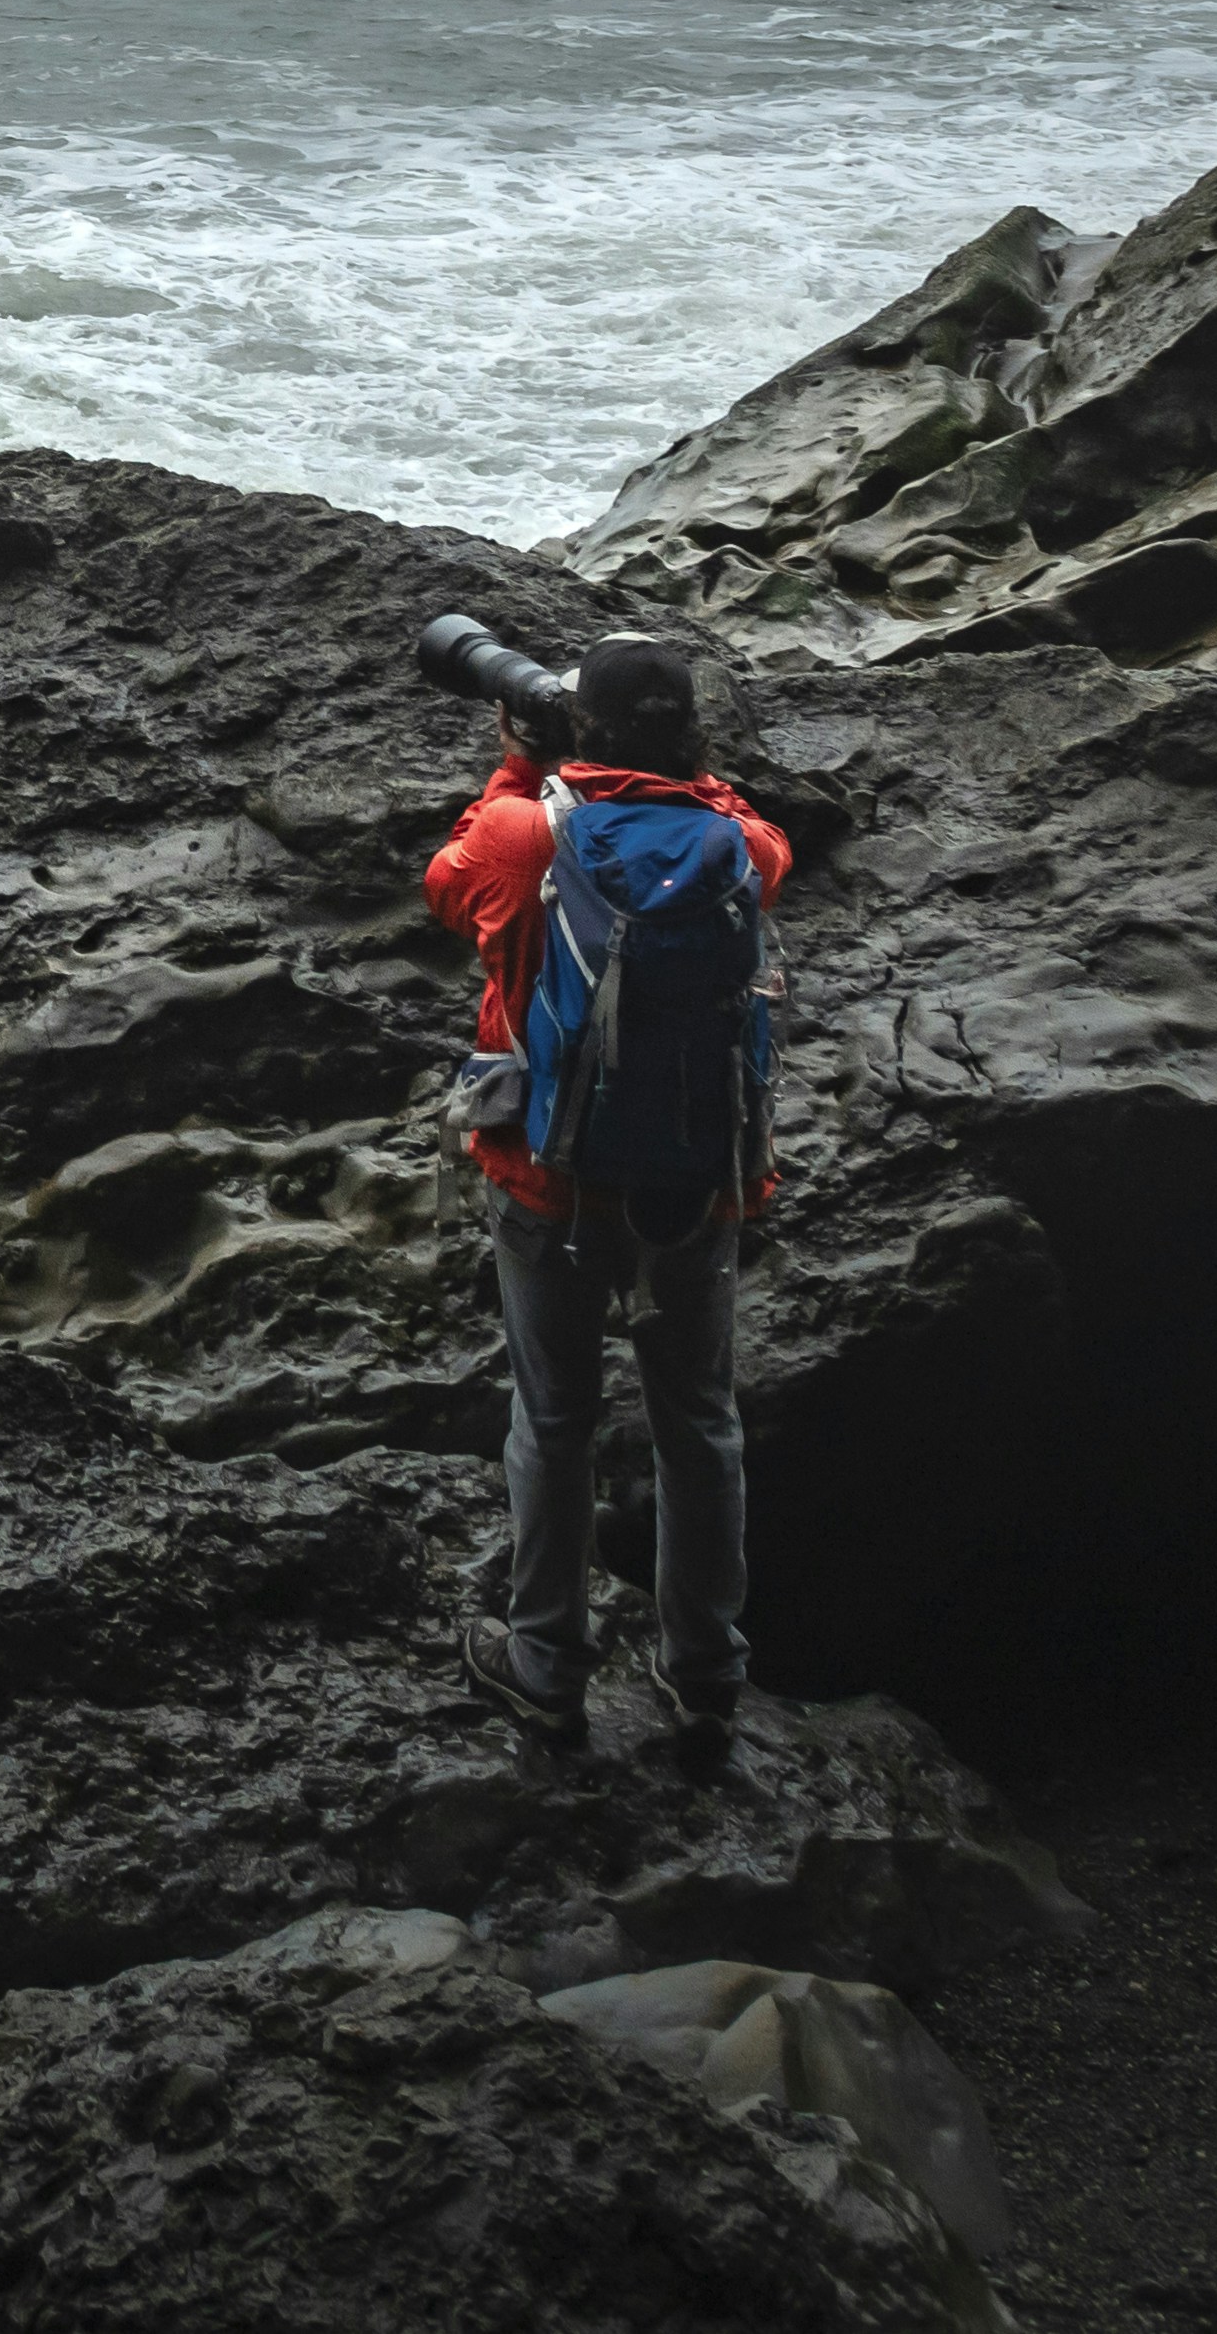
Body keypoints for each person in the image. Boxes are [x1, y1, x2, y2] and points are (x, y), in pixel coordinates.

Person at [417, 634, 791, 1748]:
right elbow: (748, 833)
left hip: (551, 1178)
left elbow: (449, 893)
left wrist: (524, 766)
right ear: (688, 738)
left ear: (580, 729)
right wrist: (679, 773)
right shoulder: (739, 841)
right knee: (699, 1424)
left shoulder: (521, 830)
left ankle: (545, 1660)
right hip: (698, 1183)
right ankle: (706, 1672)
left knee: (556, 1419)